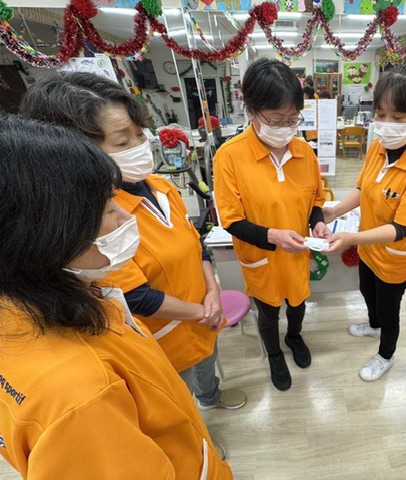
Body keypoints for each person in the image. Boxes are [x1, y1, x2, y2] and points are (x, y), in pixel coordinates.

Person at [0, 114, 232, 479]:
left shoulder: (50, 300)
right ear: (47, 230)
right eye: (108, 207)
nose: (125, 219)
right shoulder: (79, 395)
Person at [19, 73, 246, 422]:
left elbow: (195, 242)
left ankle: (210, 396)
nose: (140, 146)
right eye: (123, 142)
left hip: (204, 317)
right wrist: (202, 311)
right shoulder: (97, 219)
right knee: (176, 404)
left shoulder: (161, 187)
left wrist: (213, 292)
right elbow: (136, 296)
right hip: (167, 335)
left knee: (206, 367)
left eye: (140, 134)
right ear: (77, 152)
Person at [214, 58, 330, 391]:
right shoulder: (229, 156)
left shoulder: (304, 152)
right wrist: (272, 236)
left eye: (292, 119)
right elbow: (231, 220)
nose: (285, 127)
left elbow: (315, 200)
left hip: (296, 253)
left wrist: (317, 223)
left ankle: (294, 337)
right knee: (268, 311)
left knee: (298, 302)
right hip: (261, 257)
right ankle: (275, 353)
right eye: (276, 119)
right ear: (251, 111)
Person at [323, 64, 406, 381]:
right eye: (381, 114)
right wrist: (335, 211)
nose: (387, 124)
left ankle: (386, 355)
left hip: (394, 256)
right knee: (367, 291)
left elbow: (402, 228)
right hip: (368, 247)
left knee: (390, 309)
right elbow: (364, 188)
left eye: (398, 118)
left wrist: (350, 238)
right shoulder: (379, 146)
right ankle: (373, 325)